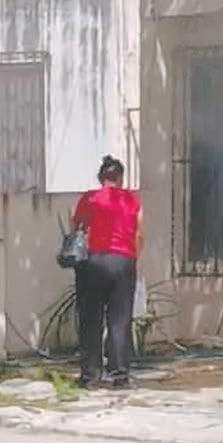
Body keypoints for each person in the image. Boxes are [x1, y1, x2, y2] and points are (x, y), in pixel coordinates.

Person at [71, 155, 141, 388]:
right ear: (120, 178)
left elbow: (77, 227)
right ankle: (119, 375)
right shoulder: (131, 201)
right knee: (119, 320)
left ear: (100, 177)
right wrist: (133, 259)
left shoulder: (90, 199)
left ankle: (90, 375)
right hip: (123, 262)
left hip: (95, 261)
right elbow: (139, 233)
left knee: (91, 319)